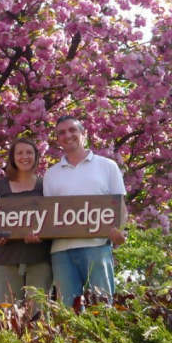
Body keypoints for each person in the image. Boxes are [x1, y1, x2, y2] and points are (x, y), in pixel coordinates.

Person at [42, 115, 126, 307]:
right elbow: (48, 215)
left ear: (83, 134)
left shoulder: (107, 166)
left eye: (72, 130)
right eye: (61, 132)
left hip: (97, 246)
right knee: (69, 310)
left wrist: (118, 231)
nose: (67, 135)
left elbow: (120, 205)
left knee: (102, 305)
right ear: (57, 139)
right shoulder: (51, 174)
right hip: (61, 251)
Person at [0, 137, 52, 307]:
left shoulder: (46, 186)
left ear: (36, 157)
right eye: (20, 153)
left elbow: (55, 221)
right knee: (7, 315)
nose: (25, 156)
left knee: (38, 315)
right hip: (5, 259)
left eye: (29, 152)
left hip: (39, 259)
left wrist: (43, 235)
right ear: (13, 157)